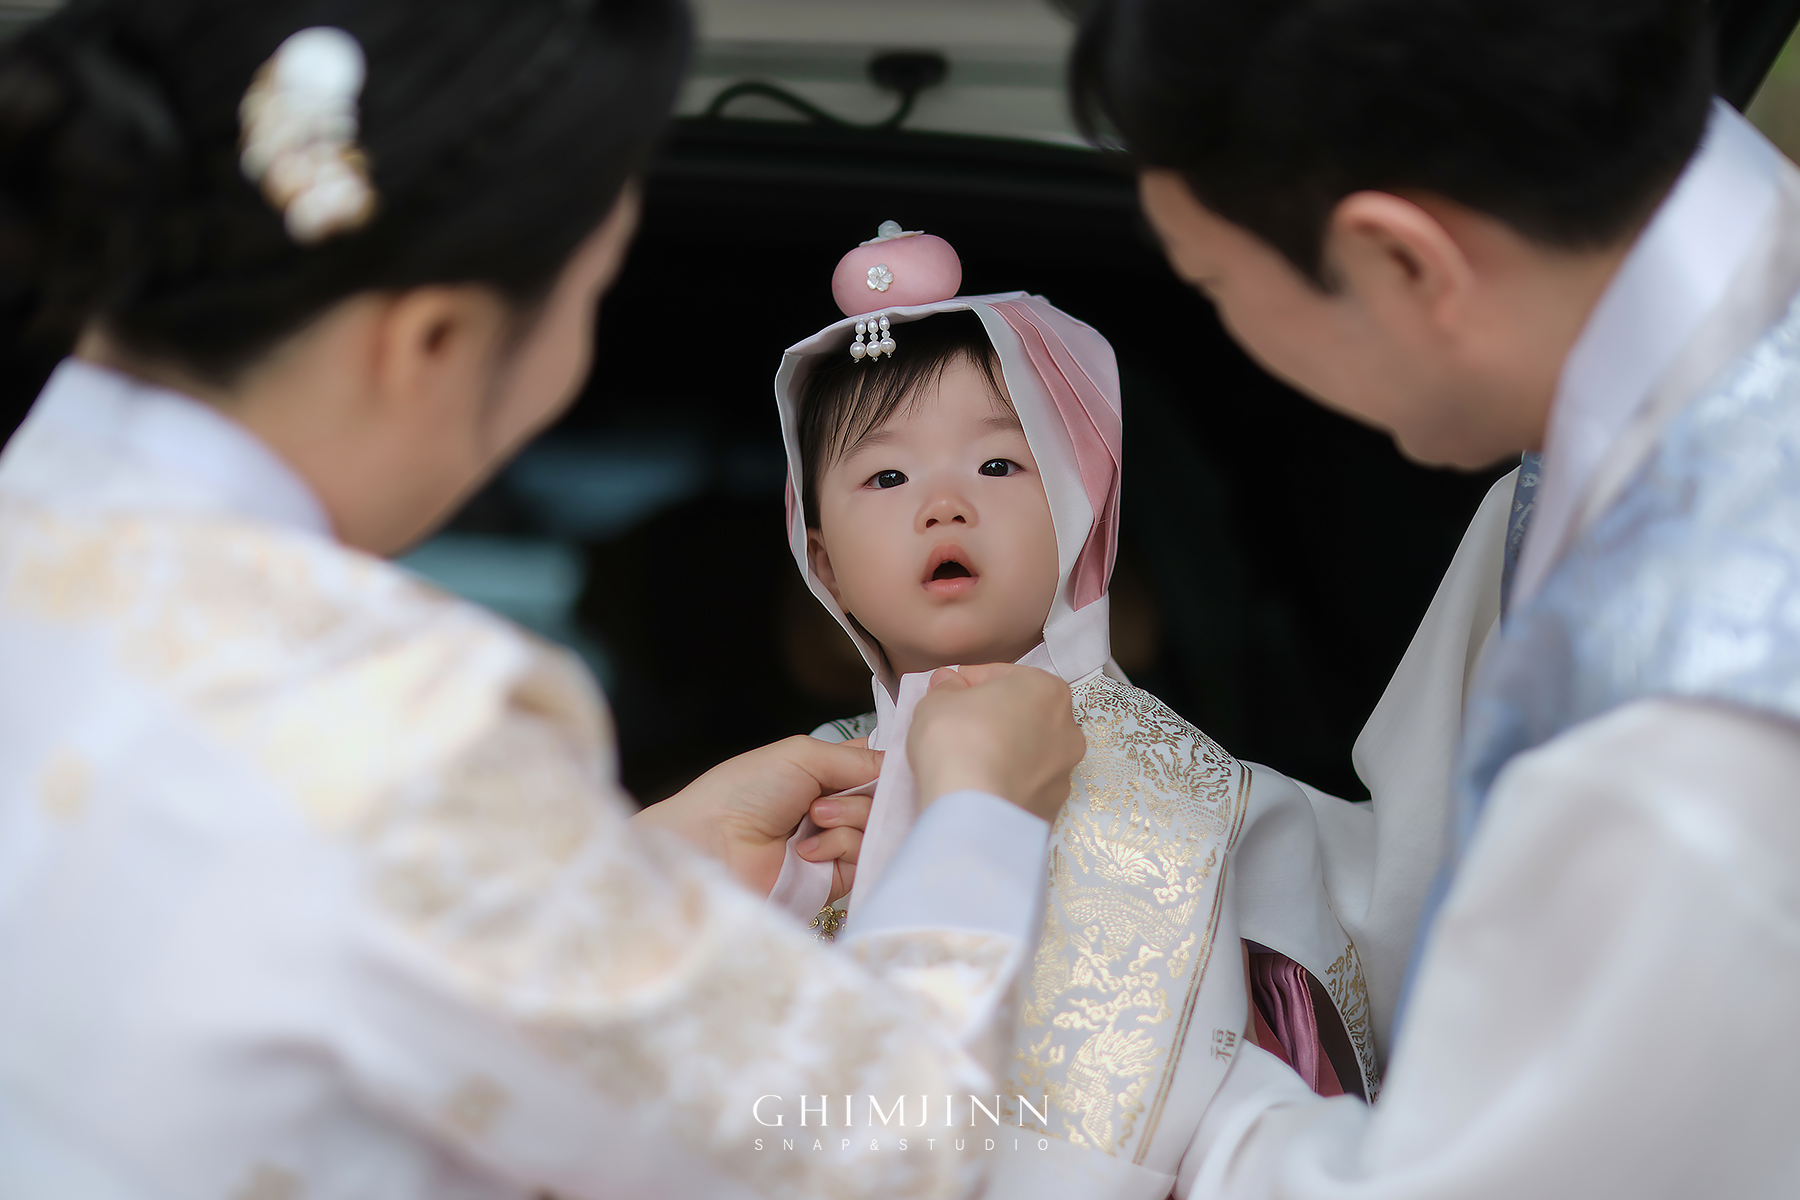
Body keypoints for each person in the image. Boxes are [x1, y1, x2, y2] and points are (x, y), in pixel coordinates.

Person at [0, 3, 1088, 1197]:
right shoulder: (399, 719)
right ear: (430, 340)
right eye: (589, 300)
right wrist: (979, 818)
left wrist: (635, 868)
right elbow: (878, 1141)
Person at [1065, 0, 1800, 1196]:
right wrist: (1110, 816)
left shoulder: (1685, 706)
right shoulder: (1574, 476)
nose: (1233, 332)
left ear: (1404, 259)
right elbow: (1425, 882)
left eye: (1211, 283)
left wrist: (1136, 1051)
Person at [766, 227, 1379, 1198]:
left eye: (998, 467)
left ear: (1081, 508)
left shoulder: (1198, 797)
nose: (943, 505)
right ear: (824, 563)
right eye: (886, 477)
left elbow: (1252, 1079)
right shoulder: (806, 803)